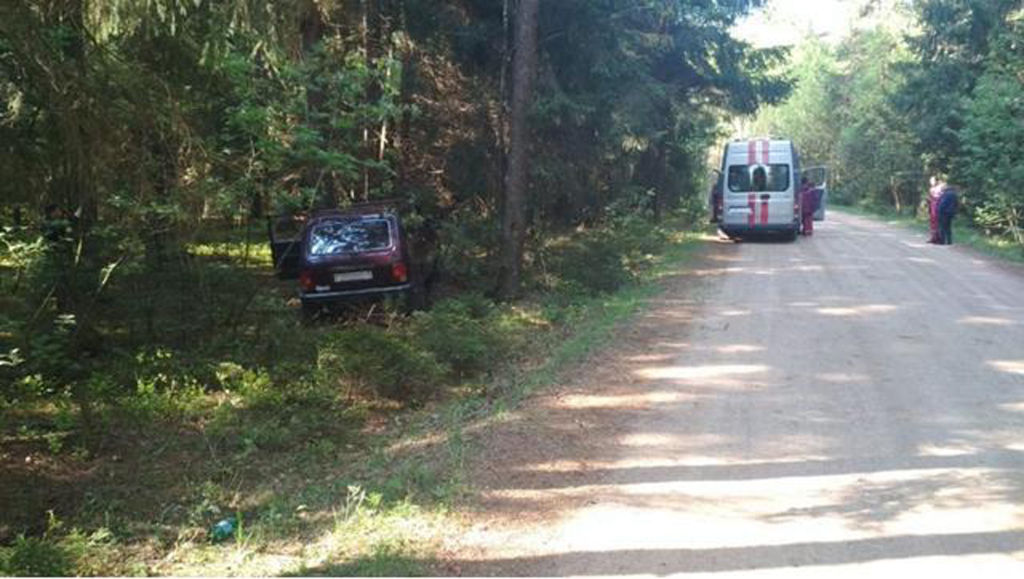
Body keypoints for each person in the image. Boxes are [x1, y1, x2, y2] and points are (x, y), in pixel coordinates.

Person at [926, 176, 945, 244]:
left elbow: (941, 197)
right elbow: (930, 198)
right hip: (932, 207)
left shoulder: (940, 188)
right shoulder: (931, 188)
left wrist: (935, 198)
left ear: (936, 181)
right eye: (930, 181)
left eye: (932, 181)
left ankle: (938, 238)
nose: (931, 182)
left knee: (937, 223)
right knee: (932, 223)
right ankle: (933, 238)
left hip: (937, 207)